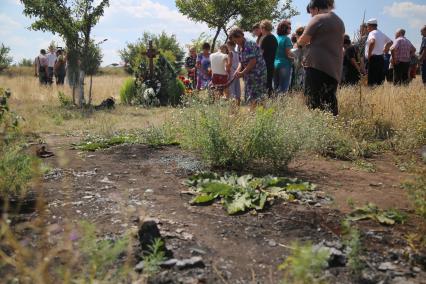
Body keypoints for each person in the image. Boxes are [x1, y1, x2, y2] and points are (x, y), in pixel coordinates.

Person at [298, 0, 345, 116]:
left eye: (311, 12)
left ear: (316, 8)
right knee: (329, 100)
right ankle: (332, 127)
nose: (311, 15)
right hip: (334, 68)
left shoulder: (318, 18)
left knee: (313, 101)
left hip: (316, 66)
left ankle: (316, 127)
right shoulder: (339, 21)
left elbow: (303, 40)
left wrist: (297, 46)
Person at [229, 27, 267, 108]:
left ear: (240, 36)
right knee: (250, 95)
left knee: (257, 96)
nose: (235, 42)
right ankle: (254, 113)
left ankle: (259, 114)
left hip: (258, 74)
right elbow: (241, 61)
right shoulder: (239, 46)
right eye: (234, 41)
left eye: (235, 40)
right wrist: (237, 70)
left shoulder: (249, 44)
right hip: (249, 74)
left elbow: (252, 61)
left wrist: (242, 73)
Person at [365, 18, 393, 86]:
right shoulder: (381, 33)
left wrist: (369, 55)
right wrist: (385, 49)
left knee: (372, 80)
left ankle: (372, 95)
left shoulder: (372, 33)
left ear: (370, 26)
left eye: (367, 26)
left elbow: (372, 42)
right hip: (381, 58)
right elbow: (391, 42)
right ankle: (378, 94)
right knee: (379, 80)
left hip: (373, 59)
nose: (367, 28)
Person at [274, 20, 294, 94]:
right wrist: (296, 59)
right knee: (283, 88)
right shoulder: (287, 39)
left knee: (275, 87)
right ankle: (282, 105)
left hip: (275, 64)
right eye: (289, 28)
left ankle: (274, 104)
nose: (290, 29)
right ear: (285, 29)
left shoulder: (276, 38)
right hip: (284, 65)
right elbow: (288, 55)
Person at [259, 20, 278, 96]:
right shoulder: (274, 38)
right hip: (271, 64)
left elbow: (260, 54)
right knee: (269, 84)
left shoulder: (266, 39)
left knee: (265, 85)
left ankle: (266, 102)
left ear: (263, 28)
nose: (260, 31)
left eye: (261, 28)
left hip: (264, 65)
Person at [290, 27, 306, 91]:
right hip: (300, 65)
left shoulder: (298, 43)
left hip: (299, 65)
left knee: (298, 81)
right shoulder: (305, 43)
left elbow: (292, 53)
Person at [226, 40, 242, 105]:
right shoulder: (237, 53)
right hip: (237, 72)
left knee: (232, 90)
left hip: (231, 73)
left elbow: (229, 64)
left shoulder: (230, 53)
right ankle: (238, 104)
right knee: (237, 88)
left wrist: (226, 70)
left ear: (228, 45)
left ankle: (233, 107)